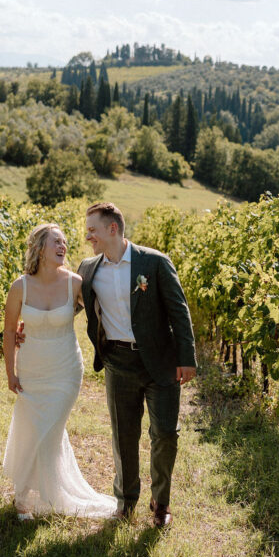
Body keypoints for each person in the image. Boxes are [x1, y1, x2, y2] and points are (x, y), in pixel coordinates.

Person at [79, 201, 196, 527]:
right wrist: (27, 326)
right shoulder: (88, 269)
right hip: (118, 362)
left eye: (93, 230)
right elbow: (68, 304)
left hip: (161, 361)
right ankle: (126, 502)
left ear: (112, 229)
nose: (89, 237)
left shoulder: (154, 262)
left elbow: (179, 311)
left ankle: (161, 503)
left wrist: (187, 359)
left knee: (165, 435)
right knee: (123, 436)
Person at [2, 222, 116, 520]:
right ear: (40, 248)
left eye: (64, 241)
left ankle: (34, 494)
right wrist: (10, 373)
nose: (63, 246)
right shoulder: (20, 286)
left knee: (49, 430)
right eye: (56, 241)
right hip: (32, 369)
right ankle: (25, 494)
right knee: (31, 427)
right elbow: (9, 331)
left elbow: (95, 312)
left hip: (66, 368)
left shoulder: (75, 283)